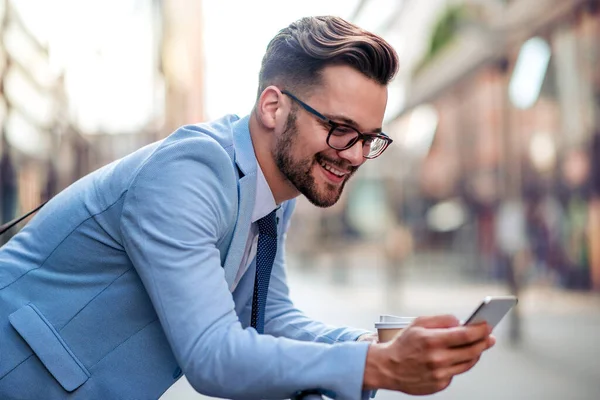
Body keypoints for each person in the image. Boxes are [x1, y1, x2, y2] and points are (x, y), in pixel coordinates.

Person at [0, 16, 494, 400]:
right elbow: (212, 354)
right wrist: (377, 367)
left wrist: (372, 345)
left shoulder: (274, 188)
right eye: (340, 129)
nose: (356, 154)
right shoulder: (191, 171)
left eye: (369, 138)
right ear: (274, 106)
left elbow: (268, 316)